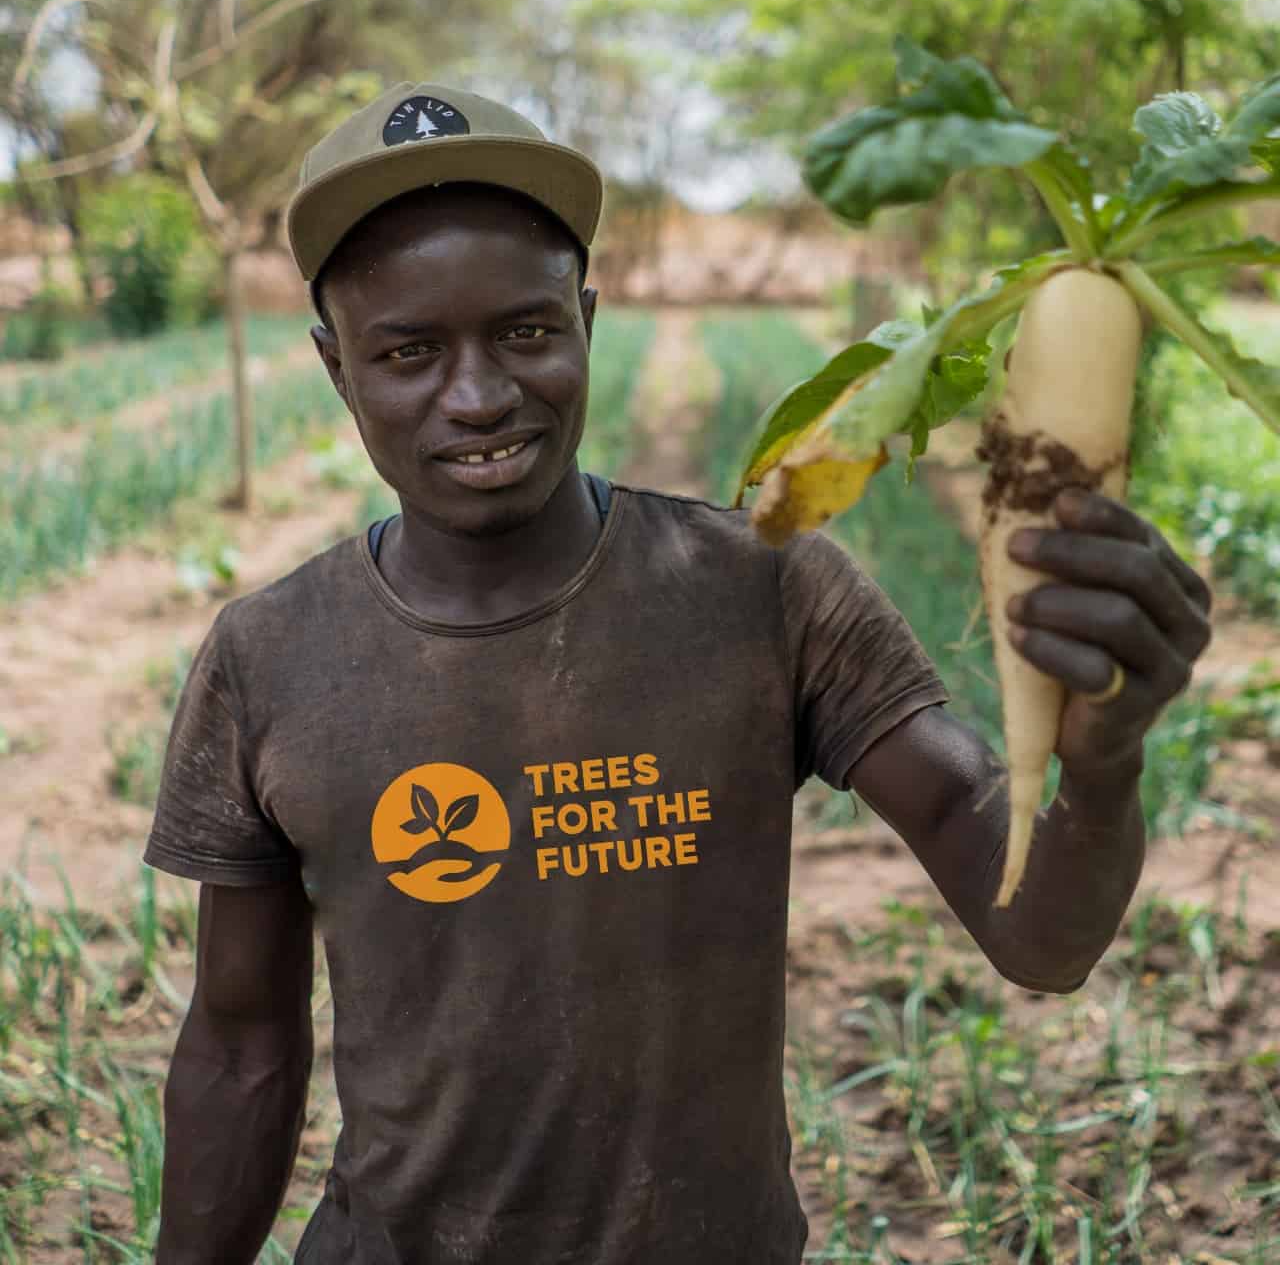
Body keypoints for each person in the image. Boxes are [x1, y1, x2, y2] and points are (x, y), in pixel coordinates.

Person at [143, 83, 1213, 1265]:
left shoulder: (762, 588)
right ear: (335, 367)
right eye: (407, 351)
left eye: (525, 330)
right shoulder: (269, 655)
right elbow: (240, 1048)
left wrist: (1103, 763)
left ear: (586, 320)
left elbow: (1039, 936)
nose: (479, 393)